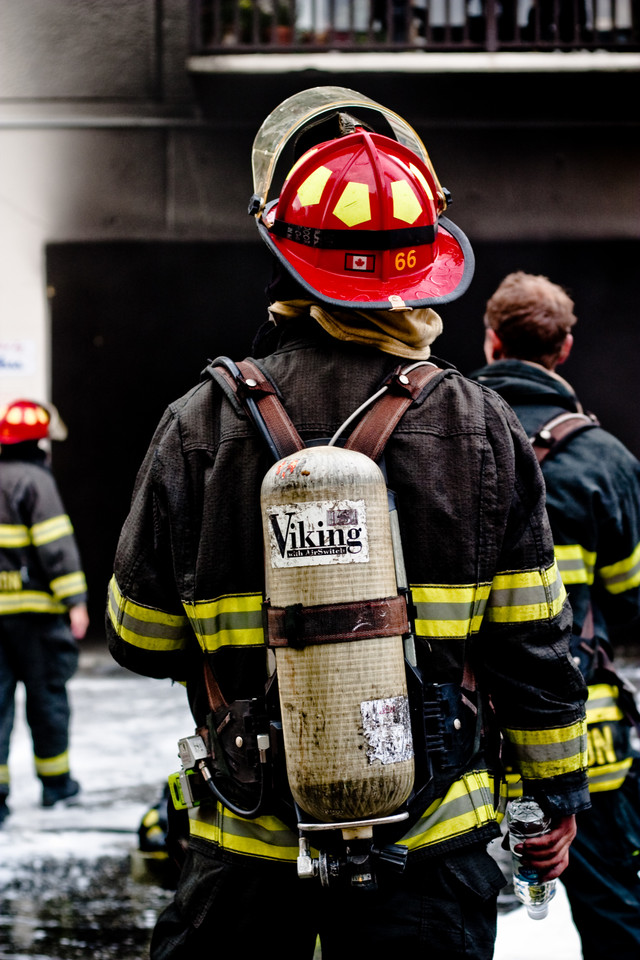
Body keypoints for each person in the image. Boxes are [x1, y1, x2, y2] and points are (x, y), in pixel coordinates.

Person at [106, 87, 589, 960]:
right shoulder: (483, 425)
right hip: (430, 856)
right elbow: (532, 644)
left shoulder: (198, 423)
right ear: (422, 268)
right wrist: (556, 798)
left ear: (286, 256)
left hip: (250, 851)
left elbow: (137, 636)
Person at [470, 270, 640, 959]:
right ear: (565, 349)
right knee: (618, 916)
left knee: (440, 923)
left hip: (459, 735)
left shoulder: (440, 443)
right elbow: (629, 607)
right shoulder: (608, 462)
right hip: (581, 733)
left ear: (489, 342)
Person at [0, 399, 89, 822]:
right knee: (47, 700)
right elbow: (57, 548)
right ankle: (57, 786)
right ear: (37, 441)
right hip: (36, 621)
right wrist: (75, 603)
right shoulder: (37, 481)